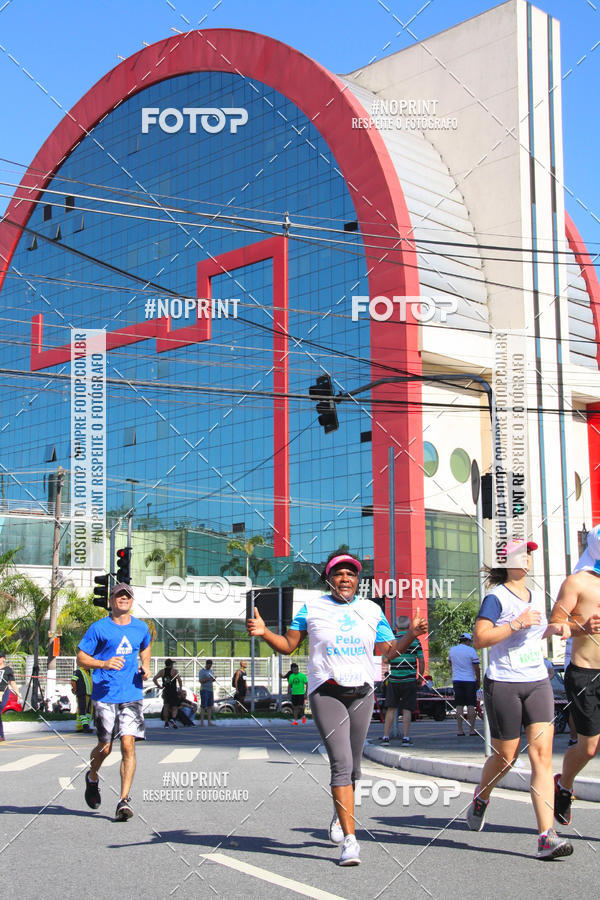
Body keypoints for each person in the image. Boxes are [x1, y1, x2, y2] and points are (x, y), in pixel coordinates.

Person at [247, 551, 427, 866]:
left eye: (351, 574)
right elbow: (289, 645)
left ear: (357, 581)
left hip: (361, 694)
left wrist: (410, 634)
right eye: (339, 573)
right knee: (341, 764)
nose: (345, 579)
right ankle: (351, 841)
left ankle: (338, 811)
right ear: (329, 579)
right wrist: (264, 633)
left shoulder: (371, 610)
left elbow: (387, 653)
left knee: (354, 767)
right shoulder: (312, 608)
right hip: (326, 693)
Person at [465, 539, 573, 859]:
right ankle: (482, 797)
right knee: (507, 757)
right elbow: (480, 638)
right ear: (505, 562)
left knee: (542, 757)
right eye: (517, 554)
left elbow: (535, 633)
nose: (525, 558)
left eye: (528, 554)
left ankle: (545, 836)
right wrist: (516, 623)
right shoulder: (496, 598)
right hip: (503, 683)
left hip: (537, 681)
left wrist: (555, 628)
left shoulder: (537, 595)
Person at [77, 582, 151, 821]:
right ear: (111, 601)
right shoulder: (99, 628)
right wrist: (104, 663)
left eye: (127, 596)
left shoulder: (140, 627)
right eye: (119, 596)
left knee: (128, 745)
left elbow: (145, 646)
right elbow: (80, 658)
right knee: (105, 747)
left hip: (131, 694)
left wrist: (146, 667)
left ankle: (123, 800)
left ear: (131, 601)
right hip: (104, 695)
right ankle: (92, 776)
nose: (123, 599)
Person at [550, 524, 600, 825]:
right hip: (584, 673)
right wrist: (582, 628)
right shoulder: (577, 583)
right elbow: (556, 624)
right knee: (589, 747)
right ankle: (565, 785)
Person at [381, 615, 424, 746]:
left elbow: (385, 659)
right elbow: (421, 660)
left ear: (397, 627)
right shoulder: (415, 641)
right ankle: (405, 737)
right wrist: (420, 676)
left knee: (391, 708)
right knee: (407, 709)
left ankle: (386, 737)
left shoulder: (392, 641)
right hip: (409, 679)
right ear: (409, 626)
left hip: (394, 679)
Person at [448, 633, 480, 737]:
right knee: (471, 705)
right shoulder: (471, 651)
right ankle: (471, 730)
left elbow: (450, 663)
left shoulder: (452, 650)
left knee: (459, 706)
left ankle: (460, 730)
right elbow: (476, 668)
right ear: (468, 641)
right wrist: (478, 680)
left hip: (457, 680)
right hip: (469, 680)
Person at [154, 659, 182, 728]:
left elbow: (154, 679)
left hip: (166, 691)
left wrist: (159, 686)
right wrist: (180, 688)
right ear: (171, 664)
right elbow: (179, 680)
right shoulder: (174, 671)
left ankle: (166, 723)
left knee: (166, 707)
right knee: (174, 707)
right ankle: (173, 718)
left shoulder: (162, 671)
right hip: (173, 691)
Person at [0, 651, 20, 743]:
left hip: (3, 693)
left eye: (0, 657)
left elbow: (12, 683)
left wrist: (17, 693)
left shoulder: (8, 670)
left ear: (3, 659)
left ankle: (1, 735)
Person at [71, 664, 93, 733]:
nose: (89, 666)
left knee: (88, 712)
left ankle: (82, 726)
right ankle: (85, 726)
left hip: (89, 694)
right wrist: (74, 690)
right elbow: (73, 681)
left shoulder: (89, 672)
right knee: (82, 710)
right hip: (82, 694)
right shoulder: (79, 671)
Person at [198, 659, 217, 726]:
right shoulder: (202, 671)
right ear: (206, 664)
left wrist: (213, 679)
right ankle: (202, 722)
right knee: (203, 706)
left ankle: (209, 722)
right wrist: (208, 679)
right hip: (204, 689)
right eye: (209, 665)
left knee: (210, 706)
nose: (210, 666)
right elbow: (200, 680)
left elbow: (211, 680)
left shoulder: (211, 671)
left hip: (210, 689)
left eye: (211, 665)